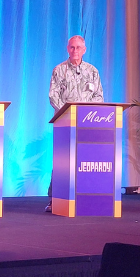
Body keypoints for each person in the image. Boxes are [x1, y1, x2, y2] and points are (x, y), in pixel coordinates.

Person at [47, 35, 103, 212]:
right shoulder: (59, 70)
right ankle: (55, 199)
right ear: (67, 49)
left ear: (84, 50)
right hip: (65, 122)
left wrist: (88, 115)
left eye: (78, 47)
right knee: (62, 160)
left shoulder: (92, 71)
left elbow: (99, 96)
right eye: (72, 47)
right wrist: (67, 113)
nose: (75, 50)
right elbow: (53, 95)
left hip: (87, 123)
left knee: (86, 160)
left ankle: (85, 197)